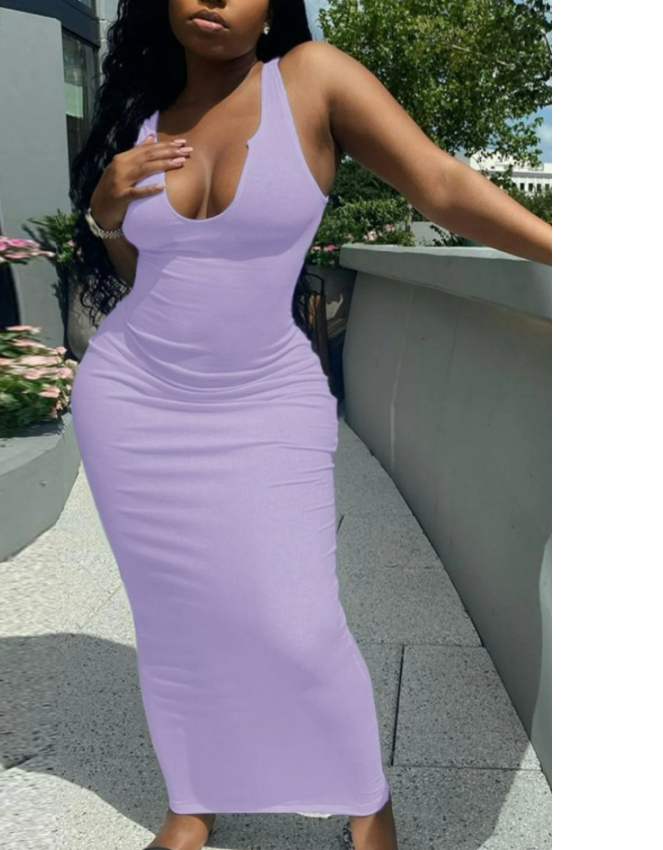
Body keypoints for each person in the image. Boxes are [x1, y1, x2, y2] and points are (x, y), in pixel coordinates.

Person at [68, 4, 553, 850]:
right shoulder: (145, 117)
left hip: (265, 397)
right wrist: (107, 212)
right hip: (132, 399)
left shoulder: (312, 79)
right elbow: (155, 272)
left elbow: (440, 185)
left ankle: (368, 805)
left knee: (298, 624)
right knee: (175, 617)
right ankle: (193, 801)